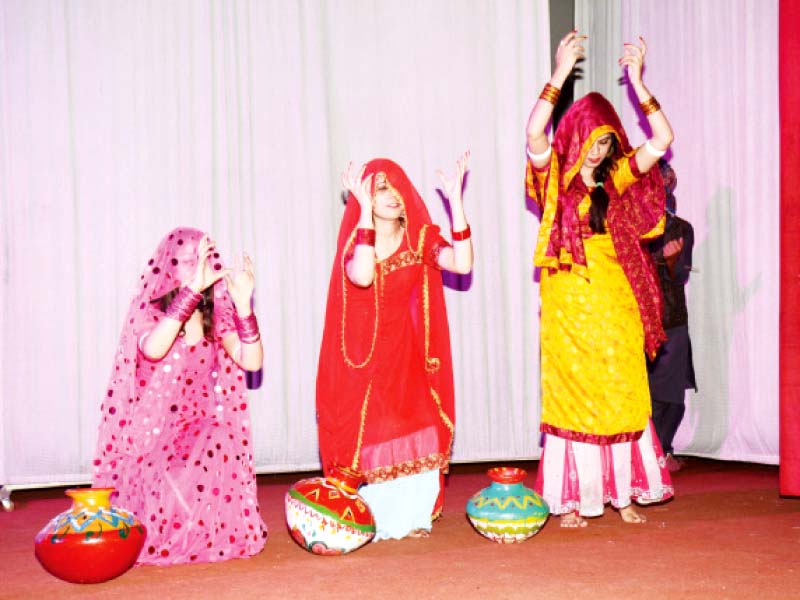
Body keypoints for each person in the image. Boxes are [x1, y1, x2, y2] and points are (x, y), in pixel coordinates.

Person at [525, 30, 675, 527]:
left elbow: (662, 140)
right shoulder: (554, 180)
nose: (598, 148)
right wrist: (559, 75)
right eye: (592, 139)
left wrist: (637, 83)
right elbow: (533, 136)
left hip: (616, 296)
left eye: (606, 140)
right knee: (574, 391)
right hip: (568, 298)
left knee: (621, 386)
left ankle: (624, 493)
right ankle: (576, 499)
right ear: (577, 136)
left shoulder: (617, 179)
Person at [316, 155, 473, 540]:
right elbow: (364, 276)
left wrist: (456, 205)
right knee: (373, 432)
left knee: (418, 428)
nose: (393, 195)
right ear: (365, 197)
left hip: (407, 354)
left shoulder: (418, 238)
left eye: (396, 187)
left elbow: (462, 264)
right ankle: (374, 517)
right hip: (362, 359)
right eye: (381, 188)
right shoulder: (356, 246)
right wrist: (365, 215)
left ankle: (412, 517)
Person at [93, 227, 268, 564]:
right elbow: (155, 349)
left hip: (198, 430)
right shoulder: (149, 316)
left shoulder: (215, 318)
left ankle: (204, 533)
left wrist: (244, 307)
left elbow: (253, 360)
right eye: (188, 259)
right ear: (169, 265)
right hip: (151, 439)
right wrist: (191, 292)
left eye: (204, 257)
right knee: (167, 478)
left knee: (216, 437)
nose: (199, 264)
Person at [648, 159, 697, 471]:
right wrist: (659, 260)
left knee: (675, 395)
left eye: (665, 180)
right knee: (649, 395)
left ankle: (662, 449)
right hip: (644, 320)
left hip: (675, 319)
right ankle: (650, 452)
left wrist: (673, 261)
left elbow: (680, 276)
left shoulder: (682, 228)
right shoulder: (635, 228)